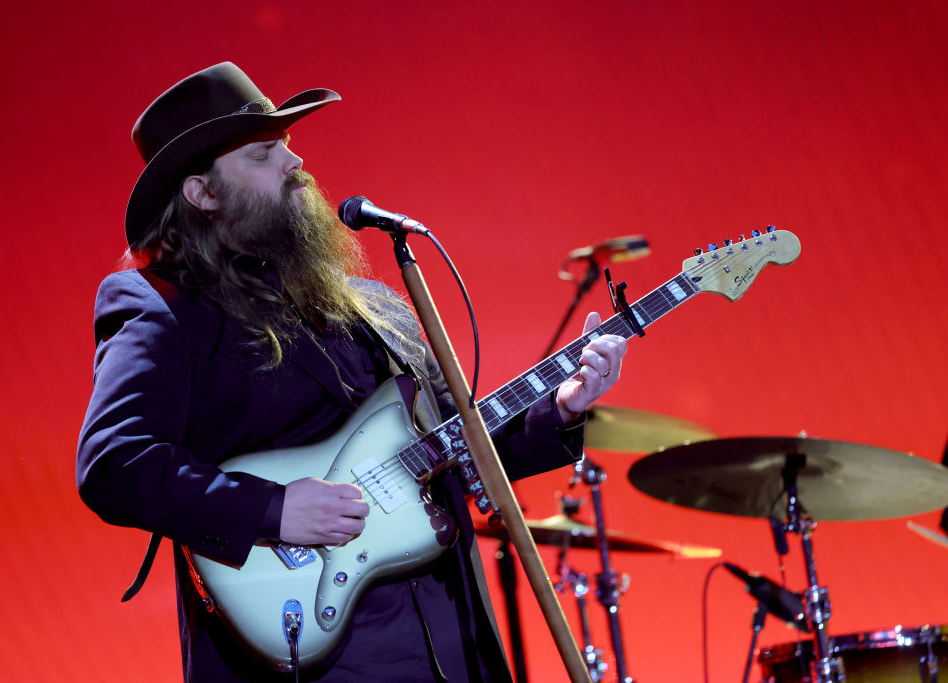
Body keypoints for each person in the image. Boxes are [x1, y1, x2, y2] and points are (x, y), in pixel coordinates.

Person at [76, 62, 628, 682]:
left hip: (453, 643)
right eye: (263, 154)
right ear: (202, 193)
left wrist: (561, 408)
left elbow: (459, 445)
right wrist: (273, 509)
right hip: (312, 655)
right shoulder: (166, 306)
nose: (294, 164)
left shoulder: (378, 306)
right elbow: (114, 462)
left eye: (288, 146)